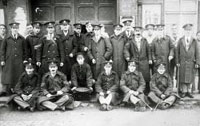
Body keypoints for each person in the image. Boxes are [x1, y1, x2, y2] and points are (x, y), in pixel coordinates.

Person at [1, 22, 27, 95]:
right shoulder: (7, 38)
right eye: (13, 28)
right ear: (11, 29)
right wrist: (2, 60)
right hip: (9, 61)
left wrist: (25, 59)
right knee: (10, 76)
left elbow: (25, 50)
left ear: (18, 29)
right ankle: (9, 93)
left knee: (19, 75)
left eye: (16, 28)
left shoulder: (22, 39)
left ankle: (18, 91)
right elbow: (2, 50)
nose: (15, 30)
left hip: (19, 61)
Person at [124, 26, 151, 94]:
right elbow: (126, 49)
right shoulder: (130, 40)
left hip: (144, 61)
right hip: (134, 61)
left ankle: (146, 93)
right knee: (135, 77)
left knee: (145, 77)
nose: (138, 34)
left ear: (141, 33)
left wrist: (150, 59)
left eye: (139, 32)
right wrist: (127, 56)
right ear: (134, 33)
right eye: (136, 32)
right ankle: (135, 92)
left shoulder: (144, 40)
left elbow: (149, 51)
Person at [176, 24, 199, 98]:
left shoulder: (194, 41)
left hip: (191, 62)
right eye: (186, 30)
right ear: (184, 31)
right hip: (182, 62)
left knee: (190, 77)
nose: (188, 32)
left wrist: (197, 62)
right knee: (183, 76)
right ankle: (184, 91)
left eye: (189, 30)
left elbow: (197, 52)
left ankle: (189, 91)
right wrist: (177, 62)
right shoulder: (180, 40)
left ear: (191, 31)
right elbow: (177, 52)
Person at [0, 24, 7, 96]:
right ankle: (1, 90)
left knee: (6, 74)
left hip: (7, 58)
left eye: (4, 28)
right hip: (0, 59)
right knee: (1, 74)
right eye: (1, 28)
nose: (2, 30)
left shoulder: (7, 38)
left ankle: (5, 90)